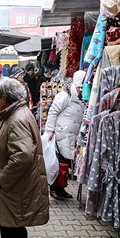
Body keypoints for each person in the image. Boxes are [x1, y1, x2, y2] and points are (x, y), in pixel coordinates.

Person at [0, 78, 49, 238]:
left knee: (14, 228)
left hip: (15, 185)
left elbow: (22, 156)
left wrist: (2, 179)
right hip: (14, 185)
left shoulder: (17, 119)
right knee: (8, 224)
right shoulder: (15, 114)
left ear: (5, 98)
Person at [44, 70, 86, 200]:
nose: (81, 90)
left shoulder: (81, 98)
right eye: (79, 87)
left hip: (72, 135)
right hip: (61, 133)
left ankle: (61, 188)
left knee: (66, 163)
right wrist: (50, 130)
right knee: (58, 163)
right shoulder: (65, 96)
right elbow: (53, 112)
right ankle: (54, 188)